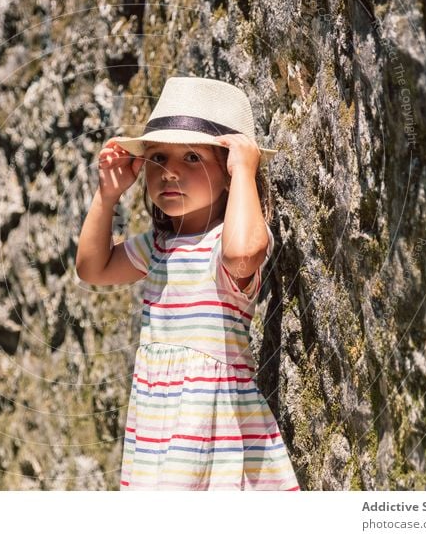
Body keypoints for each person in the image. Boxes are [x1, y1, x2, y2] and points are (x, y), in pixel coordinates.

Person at [75, 76, 300, 490]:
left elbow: (244, 254)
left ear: (228, 171)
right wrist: (106, 197)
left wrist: (245, 172)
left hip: (210, 418)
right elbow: (94, 268)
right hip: (158, 416)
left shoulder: (225, 244)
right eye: (158, 157)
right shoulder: (159, 247)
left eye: (193, 158)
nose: (170, 172)